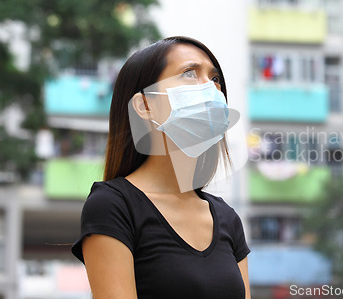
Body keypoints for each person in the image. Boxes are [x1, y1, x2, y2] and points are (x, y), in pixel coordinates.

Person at [71, 36, 251, 299]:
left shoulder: (227, 217)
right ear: (144, 105)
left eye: (215, 79)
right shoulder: (113, 205)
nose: (211, 89)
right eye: (189, 73)